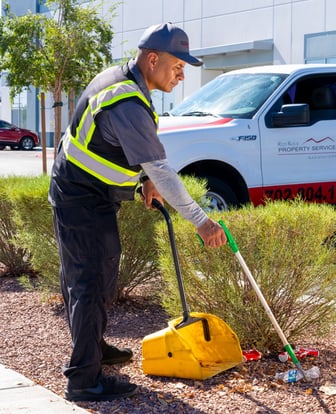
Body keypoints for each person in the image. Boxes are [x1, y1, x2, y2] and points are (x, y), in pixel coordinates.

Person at [48, 22, 227, 402]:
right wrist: (202, 220)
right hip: (80, 196)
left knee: (96, 276)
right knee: (89, 281)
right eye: (178, 65)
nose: (181, 74)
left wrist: (142, 179)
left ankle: (93, 350)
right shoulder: (127, 101)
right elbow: (163, 170)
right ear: (152, 59)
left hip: (86, 193)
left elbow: (121, 150)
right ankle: (84, 378)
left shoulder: (126, 85)